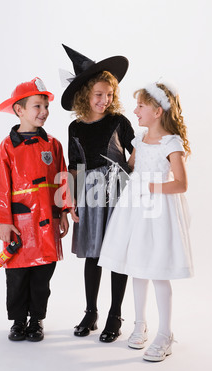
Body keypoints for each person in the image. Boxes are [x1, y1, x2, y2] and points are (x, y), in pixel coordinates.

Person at [98, 81, 194, 361]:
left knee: (158, 271)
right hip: (134, 210)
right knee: (137, 267)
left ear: (157, 110)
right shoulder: (140, 139)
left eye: (140, 105)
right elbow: (130, 168)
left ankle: (165, 333)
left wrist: (151, 187)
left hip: (158, 211)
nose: (135, 110)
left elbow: (181, 184)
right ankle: (140, 324)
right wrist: (113, 171)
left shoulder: (171, 143)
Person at [0, 77, 73, 342]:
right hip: (19, 223)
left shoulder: (53, 144)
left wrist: (62, 213)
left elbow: (62, 179)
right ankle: (17, 321)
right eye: (37, 106)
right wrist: (3, 220)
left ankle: (36, 320)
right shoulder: (7, 146)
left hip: (47, 221)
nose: (44, 111)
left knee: (42, 276)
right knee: (16, 275)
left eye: (46, 106)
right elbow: (1, 184)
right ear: (19, 110)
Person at [60, 45, 135, 343]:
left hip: (117, 193)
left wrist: (129, 169)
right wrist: (72, 199)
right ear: (85, 97)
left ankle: (115, 314)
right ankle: (90, 311)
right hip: (90, 196)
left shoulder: (119, 122)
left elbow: (138, 149)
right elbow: (74, 165)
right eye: (99, 95)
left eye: (109, 95)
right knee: (93, 254)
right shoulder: (75, 128)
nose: (105, 100)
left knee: (116, 254)